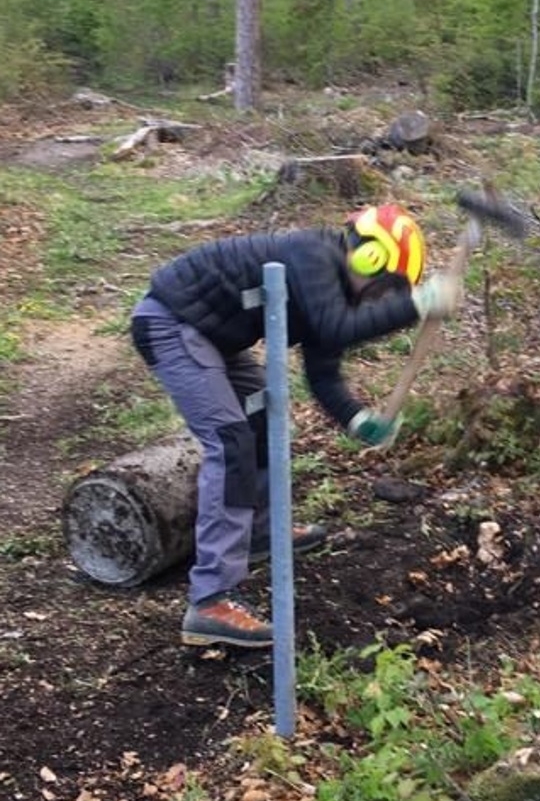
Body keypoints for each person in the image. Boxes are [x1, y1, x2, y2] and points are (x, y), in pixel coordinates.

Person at [131, 202, 462, 647]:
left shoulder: (332, 290)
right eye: (387, 290)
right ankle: (210, 600)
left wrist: (358, 419)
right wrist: (417, 303)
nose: (380, 300)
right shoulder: (314, 254)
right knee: (230, 443)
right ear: (370, 258)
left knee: (265, 426)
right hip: (172, 324)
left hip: (213, 338)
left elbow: (323, 372)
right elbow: (338, 326)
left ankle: (259, 531)